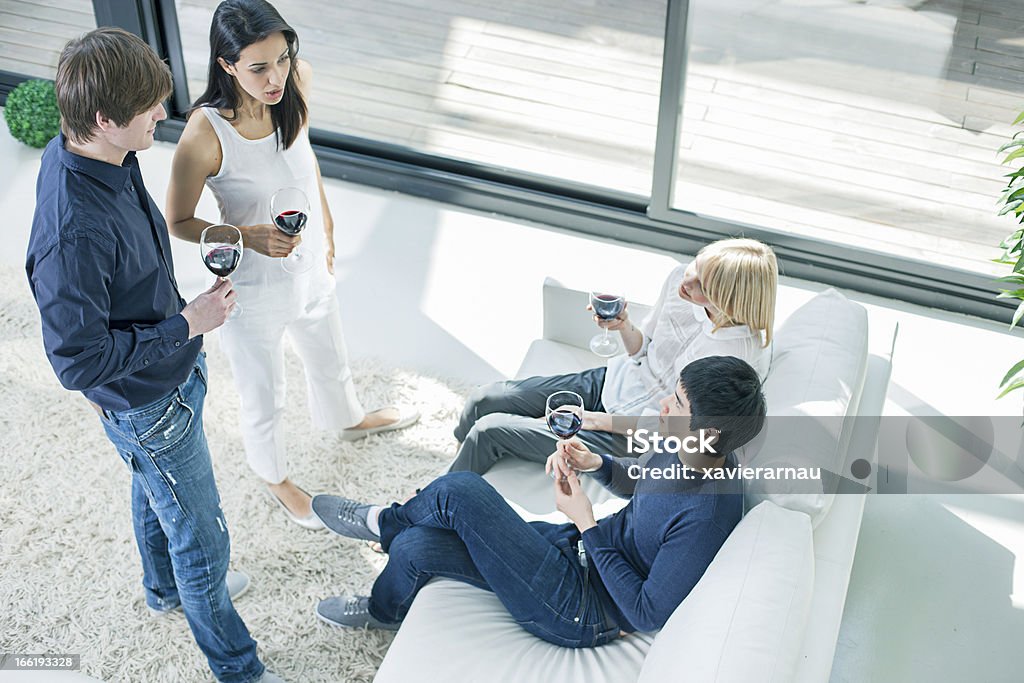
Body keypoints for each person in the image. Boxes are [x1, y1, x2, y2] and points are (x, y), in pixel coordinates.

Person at [25, 28, 281, 683]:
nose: (163, 118)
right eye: (149, 111)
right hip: (147, 402)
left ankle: (165, 588)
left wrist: (182, 318)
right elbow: (76, 363)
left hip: (166, 370)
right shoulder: (70, 233)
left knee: (154, 485)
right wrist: (189, 323)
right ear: (105, 120)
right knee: (205, 537)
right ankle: (240, 669)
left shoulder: (95, 149)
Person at [166, 0, 418, 529]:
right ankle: (275, 477)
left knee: (330, 356)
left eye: (281, 58)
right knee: (265, 394)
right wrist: (247, 237)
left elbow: (305, 159)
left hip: (308, 264)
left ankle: (348, 419)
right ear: (227, 65)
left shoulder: (295, 82)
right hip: (251, 288)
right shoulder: (206, 133)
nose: (276, 76)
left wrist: (326, 227)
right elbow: (179, 222)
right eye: (259, 67)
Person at [309, 356, 766, 646]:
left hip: (582, 608)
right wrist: (596, 465)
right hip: (575, 550)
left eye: (678, 404)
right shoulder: (681, 442)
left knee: (459, 492)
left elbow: (647, 613)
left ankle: (379, 521)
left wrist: (587, 522)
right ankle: (382, 611)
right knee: (415, 547)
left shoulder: (709, 514)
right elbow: (638, 485)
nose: (664, 405)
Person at [449, 237, 777, 474]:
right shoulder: (679, 278)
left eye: (701, 285)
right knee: (484, 399)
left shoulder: (738, 357)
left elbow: (677, 431)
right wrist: (623, 326)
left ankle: (431, 501)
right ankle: (459, 458)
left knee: (490, 430)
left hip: (632, 438)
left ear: (728, 300)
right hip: (613, 383)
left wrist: (592, 420)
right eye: (695, 266)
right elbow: (643, 349)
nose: (685, 282)